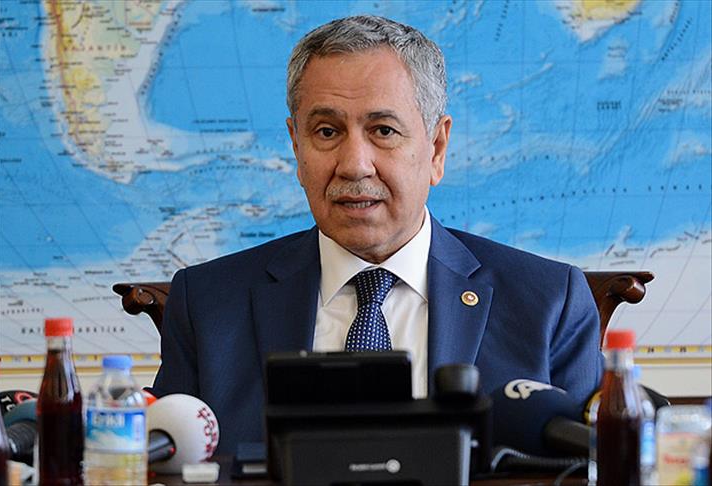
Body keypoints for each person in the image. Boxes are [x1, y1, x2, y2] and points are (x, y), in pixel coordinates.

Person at [150, 15, 604, 453]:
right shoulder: (208, 304)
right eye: (326, 131)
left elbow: (587, 469)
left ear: (436, 148)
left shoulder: (548, 302)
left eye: (383, 130)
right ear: (296, 146)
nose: (354, 165)